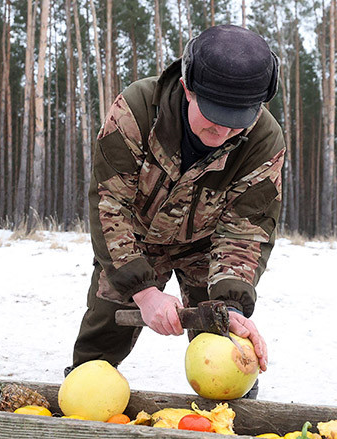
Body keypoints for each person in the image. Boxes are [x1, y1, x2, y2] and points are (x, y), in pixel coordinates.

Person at [68, 25, 285, 399]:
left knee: (223, 337)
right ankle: (81, 405)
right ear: (188, 88)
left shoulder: (264, 141)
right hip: (132, 238)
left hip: (206, 246)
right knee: (103, 332)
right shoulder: (137, 109)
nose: (222, 133)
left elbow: (245, 231)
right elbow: (109, 203)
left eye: (237, 122)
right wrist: (143, 291)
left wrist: (232, 303)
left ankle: (230, 425)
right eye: (213, 119)